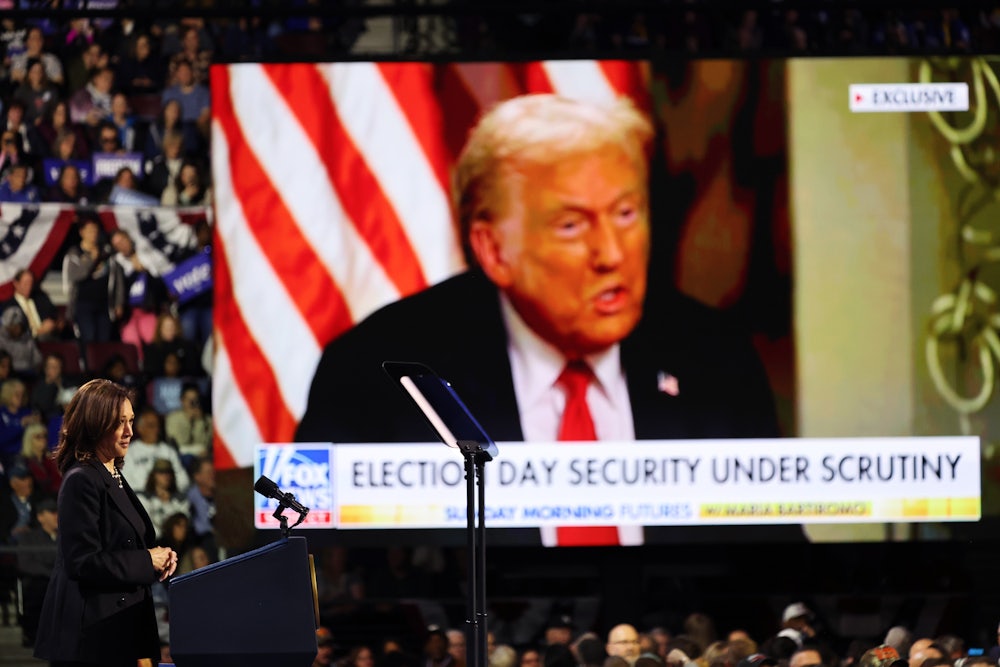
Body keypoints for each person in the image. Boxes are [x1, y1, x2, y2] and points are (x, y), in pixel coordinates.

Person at [294, 94, 779, 546]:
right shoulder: (379, 374)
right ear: (494, 249)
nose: (612, 253)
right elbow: (303, 555)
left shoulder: (717, 359)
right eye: (571, 225)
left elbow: (776, 560)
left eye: (627, 213)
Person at [33, 378, 177, 666]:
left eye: (131, 420)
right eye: (119, 422)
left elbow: (126, 542)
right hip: (92, 638)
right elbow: (82, 561)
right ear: (95, 425)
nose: (129, 432)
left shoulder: (111, 475)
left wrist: (160, 558)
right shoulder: (82, 480)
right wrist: (145, 561)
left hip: (118, 629)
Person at [62, 216, 126, 343]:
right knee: (88, 339)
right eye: (90, 230)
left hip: (105, 305)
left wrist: (119, 302)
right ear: (82, 232)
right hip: (83, 304)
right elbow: (75, 276)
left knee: (104, 340)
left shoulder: (106, 252)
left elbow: (118, 279)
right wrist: (92, 259)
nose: (93, 233)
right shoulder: (75, 254)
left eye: (95, 230)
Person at [2, 268, 59, 341]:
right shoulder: (8, 306)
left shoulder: (41, 299)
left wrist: (52, 324)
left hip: (48, 339)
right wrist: (38, 332)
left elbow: (54, 316)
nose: (29, 286)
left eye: (31, 283)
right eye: (25, 283)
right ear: (16, 284)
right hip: (24, 343)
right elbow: (12, 332)